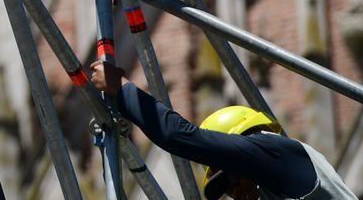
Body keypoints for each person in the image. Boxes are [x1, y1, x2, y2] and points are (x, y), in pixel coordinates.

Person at [90, 61, 358, 199]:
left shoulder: (275, 153)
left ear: (245, 142)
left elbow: (176, 135)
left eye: (231, 177)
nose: (235, 193)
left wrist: (120, 87)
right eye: (226, 188)